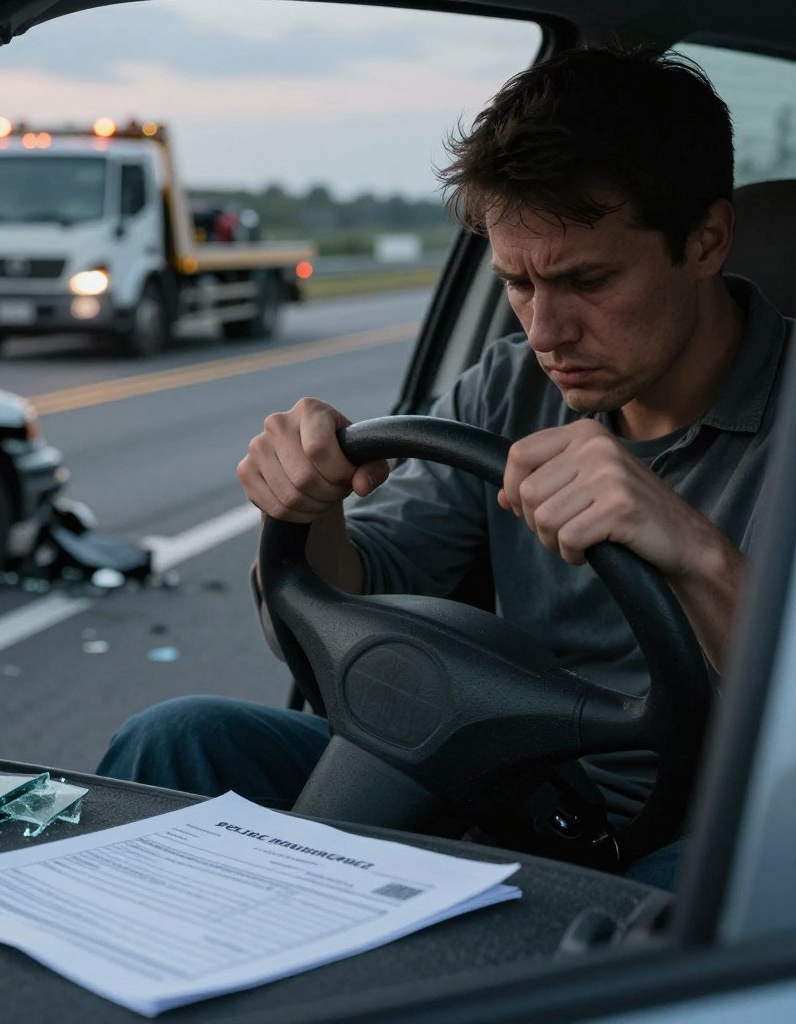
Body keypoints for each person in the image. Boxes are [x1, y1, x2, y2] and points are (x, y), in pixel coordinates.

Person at [97, 47, 793, 887]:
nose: (545, 331)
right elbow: (359, 600)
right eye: (517, 284)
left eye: (587, 281)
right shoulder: (512, 383)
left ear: (707, 241)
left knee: (683, 910)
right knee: (176, 738)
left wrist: (698, 552)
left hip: (716, 821)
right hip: (497, 781)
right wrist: (307, 510)